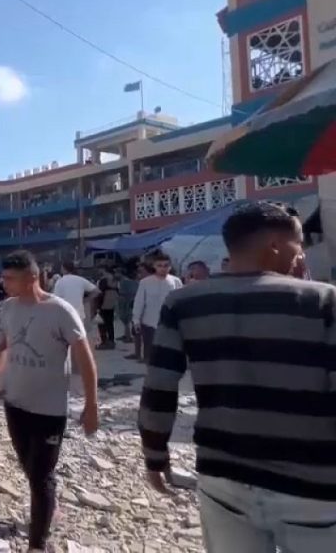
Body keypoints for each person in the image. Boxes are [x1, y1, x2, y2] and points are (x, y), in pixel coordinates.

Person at [138, 201, 336, 551]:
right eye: (298, 243)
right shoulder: (324, 301)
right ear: (275, 244)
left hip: (223, 479)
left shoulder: (184, 302)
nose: (301, 253)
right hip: (312, 488)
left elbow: (159, 386)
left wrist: (155, 454)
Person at [0, 251, 99, 553]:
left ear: (32, 278)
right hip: (15, 402)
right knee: (28, 466)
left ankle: (37, 544)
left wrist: (92, 404)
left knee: (41, 476)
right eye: (4, 277)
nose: (3, 283)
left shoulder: (60, 311)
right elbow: (7, 341)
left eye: (9, 278)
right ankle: (49, 508)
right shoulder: (8, 308)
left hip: (49, 410)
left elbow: (85, 360)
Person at [132, 252, 183, 363]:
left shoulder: (176, 281)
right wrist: (136, 320)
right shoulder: (145, 282)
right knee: (150, 353)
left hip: (170, 322)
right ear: (154, 266)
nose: (163, 268)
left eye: (166, 265)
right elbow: (139, 302)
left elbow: (181, 301)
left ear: (170, 266)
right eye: (159, 265)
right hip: (149, 322)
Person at [52, 262, 99, 335]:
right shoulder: (80, 280)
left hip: (65, 313)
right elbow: (96, 291)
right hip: (79, 313)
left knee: (66, 336)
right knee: (79, 335)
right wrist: (86, 300)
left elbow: (56, 299)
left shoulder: (60, 282)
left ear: (63, 269)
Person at [96, 268, 119, 349]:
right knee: (110, 323)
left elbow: (99, 294)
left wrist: (97, 306)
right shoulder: (115, 281)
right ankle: (111, 341)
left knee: (101, 323)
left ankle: (104, 341)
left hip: (103, 304)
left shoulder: (103, 281)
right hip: (111, 305)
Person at [116, 269, 138, 344]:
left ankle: (128, 337)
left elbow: (123, 293)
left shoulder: (125, 282)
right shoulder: (136, 282)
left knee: (126, 320)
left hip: (126, 302)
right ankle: (127, 335)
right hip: (132, 301)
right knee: (129, 319)